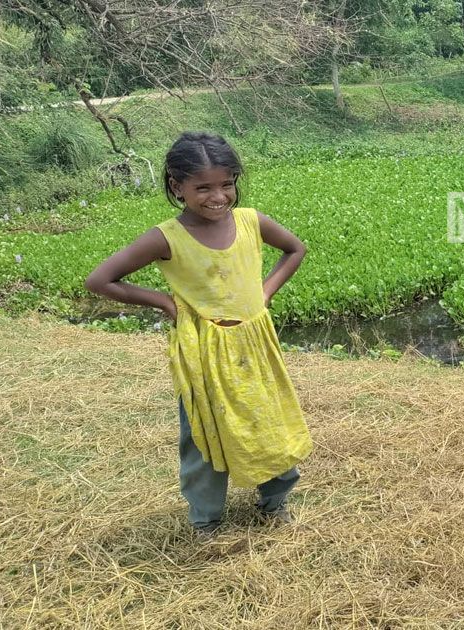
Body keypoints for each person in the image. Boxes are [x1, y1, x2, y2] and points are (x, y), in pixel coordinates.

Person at [85, 131, 313, 538]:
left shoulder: (251, 221)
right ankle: (206, 521)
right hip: (203, 351)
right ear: (177, 186)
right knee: (205, 434)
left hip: (254, 345)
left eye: (227, 184)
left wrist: (264, 292)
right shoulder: (165, 238)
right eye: (202, 187)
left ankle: (275, 502)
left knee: (269, 421)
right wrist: (167, 303)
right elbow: (101, 280)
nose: (218, 196)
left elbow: (295, 249)